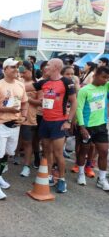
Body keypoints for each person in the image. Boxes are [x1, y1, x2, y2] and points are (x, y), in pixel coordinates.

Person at [25, 58, 77, 193]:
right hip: (45, 121)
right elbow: (23, 88)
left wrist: (68, 121)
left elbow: (74, 103)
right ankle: (48, 176)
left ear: (55, 67)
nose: (45, 68)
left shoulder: (66, 82)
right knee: (47, 151)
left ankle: (62, 180)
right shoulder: (44, 82)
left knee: (58, 153)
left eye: (47, 65)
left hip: (59, 121)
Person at [0, 58, 28, 199]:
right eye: (12, 67)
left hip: (15, 125)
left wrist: (23, 117)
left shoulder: (20, 85)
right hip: (0, 124)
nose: (16, 69)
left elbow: (25, 103)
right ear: (5, 69)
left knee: (7, 154)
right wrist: (9, 109)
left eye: (17, 67)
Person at [75, 66, 109, 189]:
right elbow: (78, 108)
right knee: (83, 151)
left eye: (107, 78)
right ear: (95, 75)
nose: (105, 80)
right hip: (87, 126)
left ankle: (101, 179)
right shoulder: (85, 90)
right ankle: (80, 174)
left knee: (104, 152)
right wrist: (82, 127)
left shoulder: (106, 86)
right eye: (103, 77)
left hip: (101, 125)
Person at [19, 61, 41, 177]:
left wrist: (27, 98)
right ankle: (7, 161)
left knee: (27, 142)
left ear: (31, 70)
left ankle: (26, 166)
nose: (22, 74)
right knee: (14, 141)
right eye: (20, 72)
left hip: (29, 118)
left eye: (24, 72)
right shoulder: (18, 82)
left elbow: (40, 102)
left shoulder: (37, 85)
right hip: (14, 116)